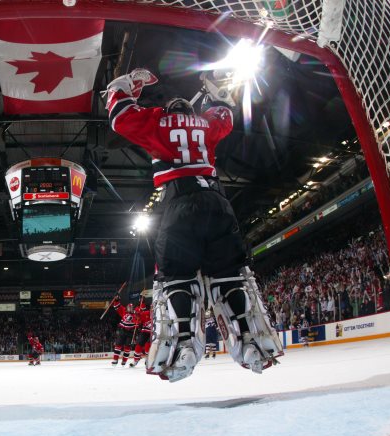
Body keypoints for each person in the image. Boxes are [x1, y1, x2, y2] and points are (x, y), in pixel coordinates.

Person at [106, 67, 283, 381]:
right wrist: (215, 93)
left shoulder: (158, 121)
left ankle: (184, 344)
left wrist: (131, 85)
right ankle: (251, 342)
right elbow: (225, 113)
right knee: (229, 275)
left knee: (177, 277)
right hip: (217, 202)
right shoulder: (205, 124)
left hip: (178, 202)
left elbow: (119, 113)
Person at [109, 299, 137, 366]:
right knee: (118, 345)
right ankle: (115, 360)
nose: (129, 309)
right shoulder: (124, 311)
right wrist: (117, 300)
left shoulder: (136, 314)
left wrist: (137, 319)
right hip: (122, 331)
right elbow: (117, 306)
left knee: (127, 348)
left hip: (131, 333)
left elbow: (139, 321)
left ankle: (124, 361)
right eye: (128, 307)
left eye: (131, 308)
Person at [129, 299, 152, 368]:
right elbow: (138, 319)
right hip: (144, 331)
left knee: (148, 346)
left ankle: (148, 360)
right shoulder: (146, 313)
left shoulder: (159, 315)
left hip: (153, 333)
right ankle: (135, 360)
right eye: (152, 308)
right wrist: (137, 314)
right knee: (138, 345)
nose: (152, 309)